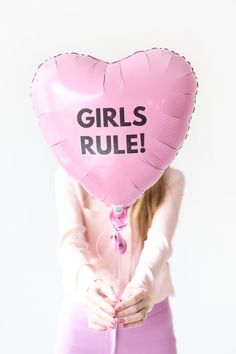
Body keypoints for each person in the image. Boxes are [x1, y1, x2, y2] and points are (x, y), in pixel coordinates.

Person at [53, 164, 185, 354]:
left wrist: (142, 286)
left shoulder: (170, 179)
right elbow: (70, 243)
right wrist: (89, 285)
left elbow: (159, 242)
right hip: (83, 318)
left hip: (152, 323)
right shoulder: (69, 175)